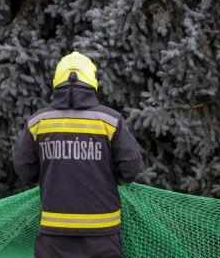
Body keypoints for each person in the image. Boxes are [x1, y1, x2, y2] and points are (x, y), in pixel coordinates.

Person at [12, 51, 143, 258]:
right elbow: (131, 168)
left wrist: (46, 177)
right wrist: (111, 177)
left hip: (53, 231)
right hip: (103, 231)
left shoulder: (38, 122)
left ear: (57, 81)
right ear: (93, 81)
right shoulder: (110, 121)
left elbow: (24, 166)